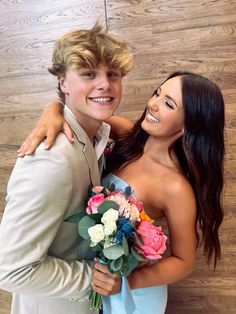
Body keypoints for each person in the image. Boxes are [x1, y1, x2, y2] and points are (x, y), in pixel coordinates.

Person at [16, 71, 225, 314]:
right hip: (93, 275)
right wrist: (51, 111)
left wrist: (126, 282)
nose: (153, 104)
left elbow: (183, 262)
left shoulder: (175, 188)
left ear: (189, 124)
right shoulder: (127, 135)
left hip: (130, 294)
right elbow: (79, 110)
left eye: (168, 104)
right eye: (157, 93)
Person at [0, 22, 133, 314]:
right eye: (88, 74)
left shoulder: (98, 134)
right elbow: (11, 270)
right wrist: (94, 278)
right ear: (63, 82)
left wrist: (54, 107)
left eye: (112, 74)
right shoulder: (51, 158)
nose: (105, 85)